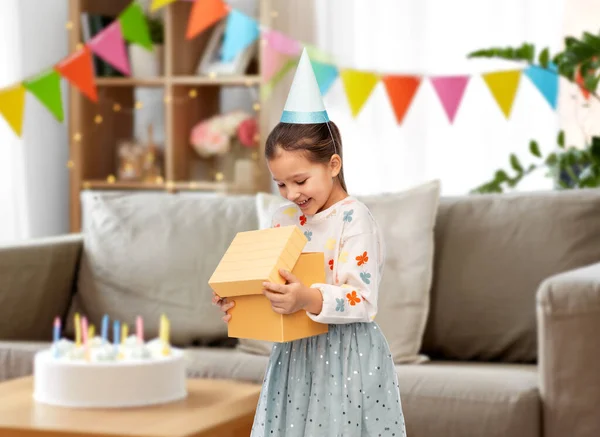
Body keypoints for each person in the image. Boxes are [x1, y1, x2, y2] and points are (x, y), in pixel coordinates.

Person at [212, 48, 406, 436]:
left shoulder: (355, 219)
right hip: (295, 353)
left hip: (347, 355)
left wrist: (307, 298)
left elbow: (362, 300)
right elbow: (270, 282)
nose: (290, 194)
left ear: (333, 166)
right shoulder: (282, 218)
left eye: (300, 181)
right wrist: (241, 297)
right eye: (280, 183)